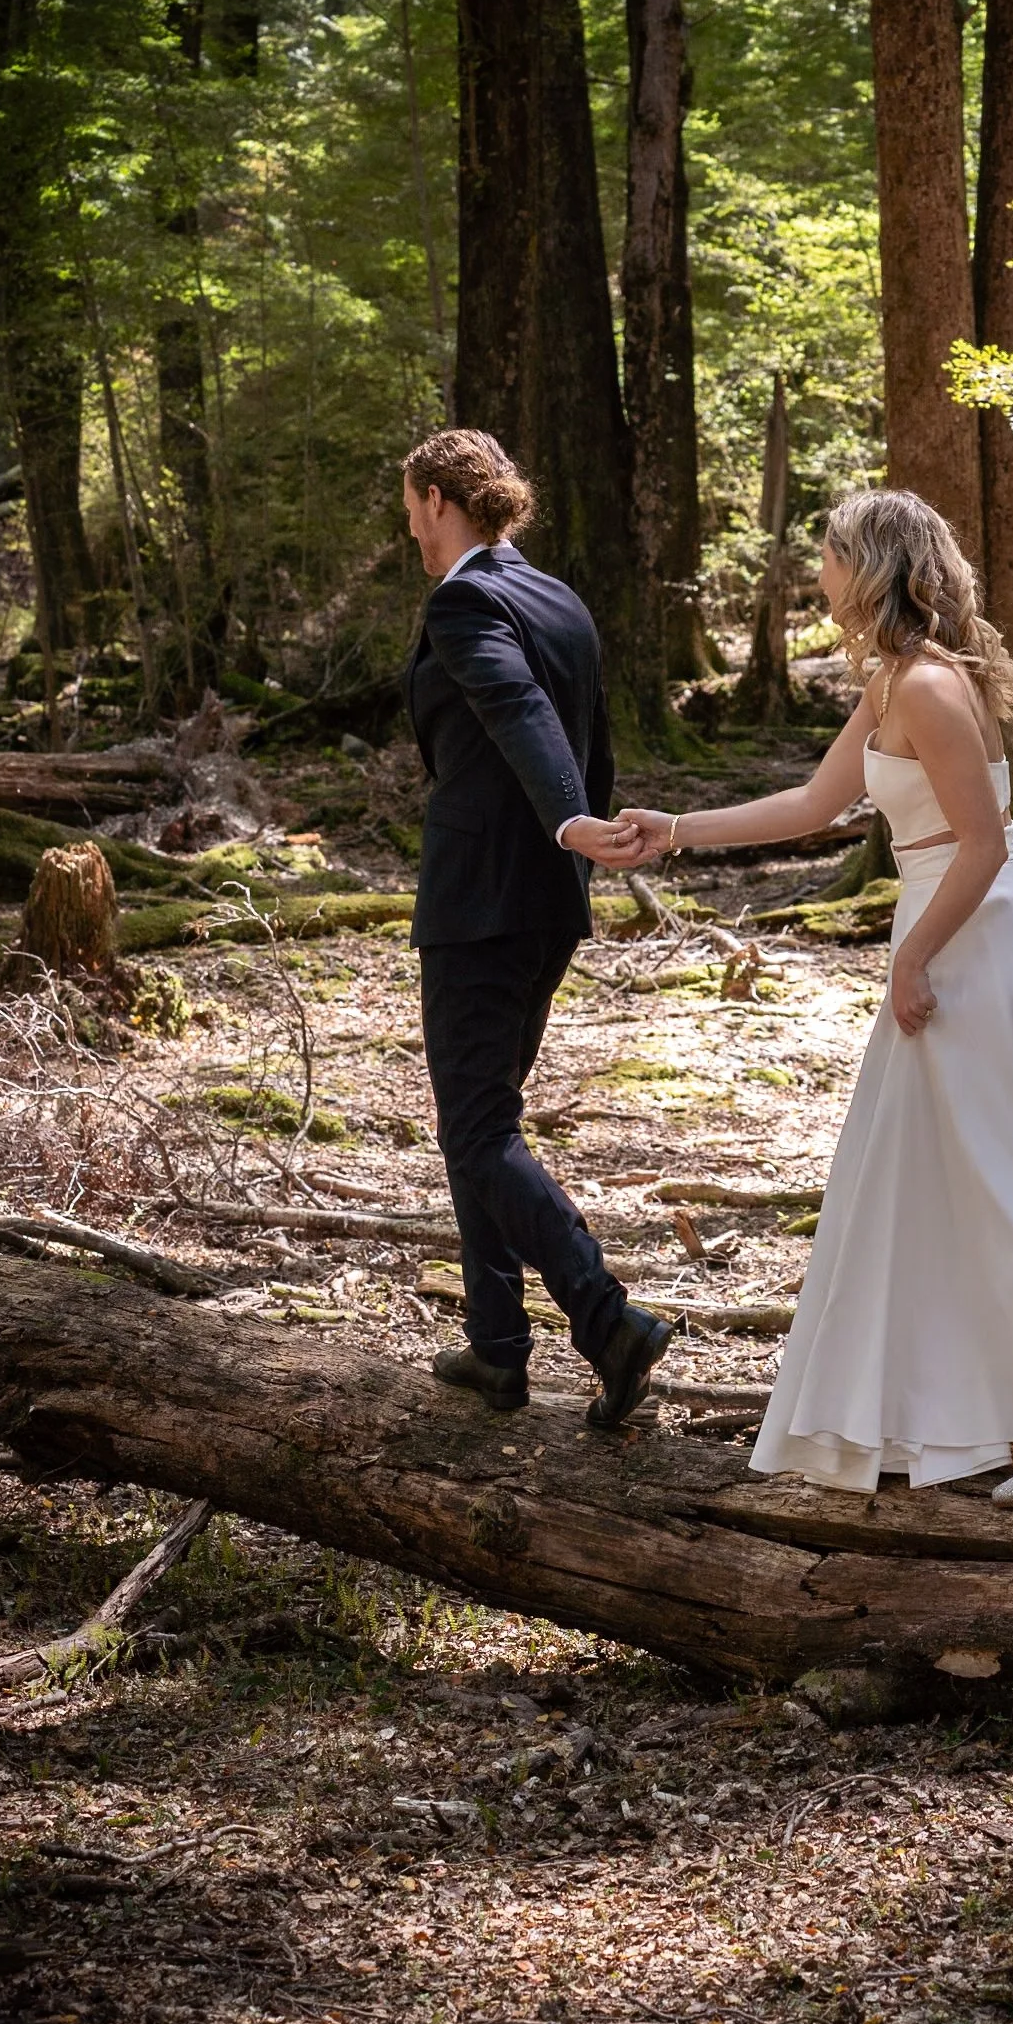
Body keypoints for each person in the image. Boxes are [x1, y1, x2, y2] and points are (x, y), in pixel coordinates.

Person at [618, 487, 1013, 1508]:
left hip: (979, 935)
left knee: (1009, 1176)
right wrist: (677, 830)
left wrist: (913, 956)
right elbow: (816, 804)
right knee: (930, 1181)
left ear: (866, 567)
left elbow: (986, 843)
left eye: (826, 552)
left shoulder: (925, 685)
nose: (816, 569)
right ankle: (950, 1413)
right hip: (956, 923)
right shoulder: (890, 680)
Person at [401, 428, 675, 1429]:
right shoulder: (558, 597)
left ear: (440, 498)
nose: (412, 530)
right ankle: (498, 1348)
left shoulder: (467, 598)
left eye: (413, 508)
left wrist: (569, 820)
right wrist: (579, 843)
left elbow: (523, 712)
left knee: (476, 1127)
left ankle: (604, 1318)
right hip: (546, 904)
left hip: (479, 903)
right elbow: (585, 735)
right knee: (484, 1124)